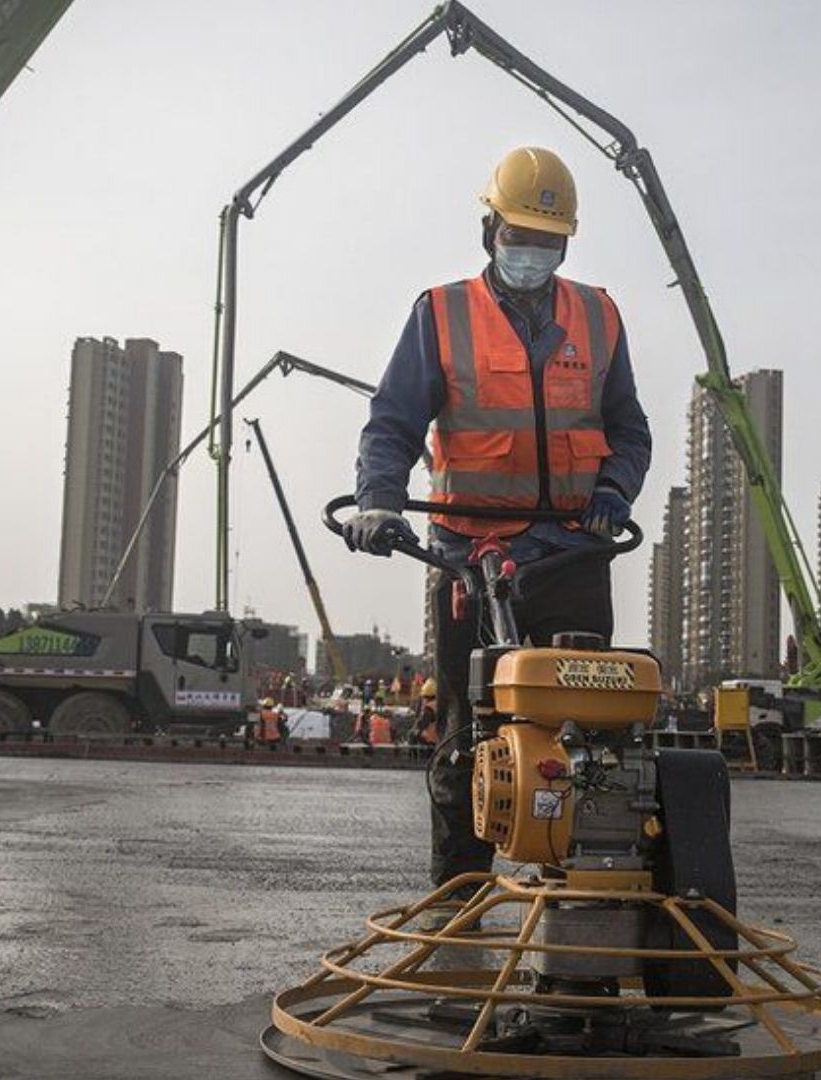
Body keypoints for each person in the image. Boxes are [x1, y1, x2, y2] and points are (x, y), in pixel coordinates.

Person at [347, 146, 653, 896]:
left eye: (548, 241)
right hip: (472, 558)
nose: (533, 253)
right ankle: (458, 899)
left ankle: (586, 893)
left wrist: (615, 487)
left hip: (574, 551)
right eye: (521, 237)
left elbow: (629, 429)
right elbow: (392, 423)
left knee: (595, 731)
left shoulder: (598, 314)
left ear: (567, 244)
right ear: (491, 231)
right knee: (464, 736)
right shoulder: (443, 314)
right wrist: (380, 499)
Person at [413, 677, 440, 746]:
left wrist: (416, 730)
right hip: (438, 738)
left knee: (412, 735)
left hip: (429, 739)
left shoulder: (428, 708)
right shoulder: (437, 704)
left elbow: (423, 723)